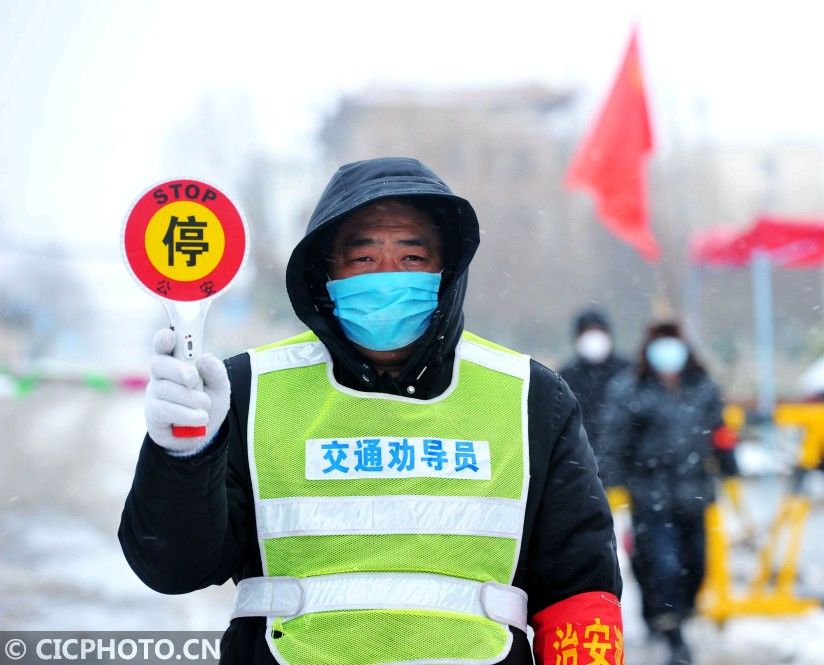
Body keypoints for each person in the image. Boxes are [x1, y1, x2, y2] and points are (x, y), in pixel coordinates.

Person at [119, 157, 623, 665]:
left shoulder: (531, 398)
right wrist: (183, 457)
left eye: (411, 258)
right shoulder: (247, 391)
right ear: (326, 273)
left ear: (446, 270)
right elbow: (173, 566)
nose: (387, 277)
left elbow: (581, 594)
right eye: (363, 259)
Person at [599, 322, 736, 665]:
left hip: (694, 493)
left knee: (695, 565)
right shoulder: (631, 389)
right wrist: (609, 482)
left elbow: (719, 432)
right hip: (650, 494)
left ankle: (677, 614)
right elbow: (615, 439)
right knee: (664, 565)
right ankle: (672, 634)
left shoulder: (701, 388)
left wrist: (730, 466)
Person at [558, 308, 629, 481]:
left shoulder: (628, 371)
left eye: (598, 331)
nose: (593, 338)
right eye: (587, 332)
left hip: (623, 470)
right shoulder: (566, 376)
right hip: (581, 467)